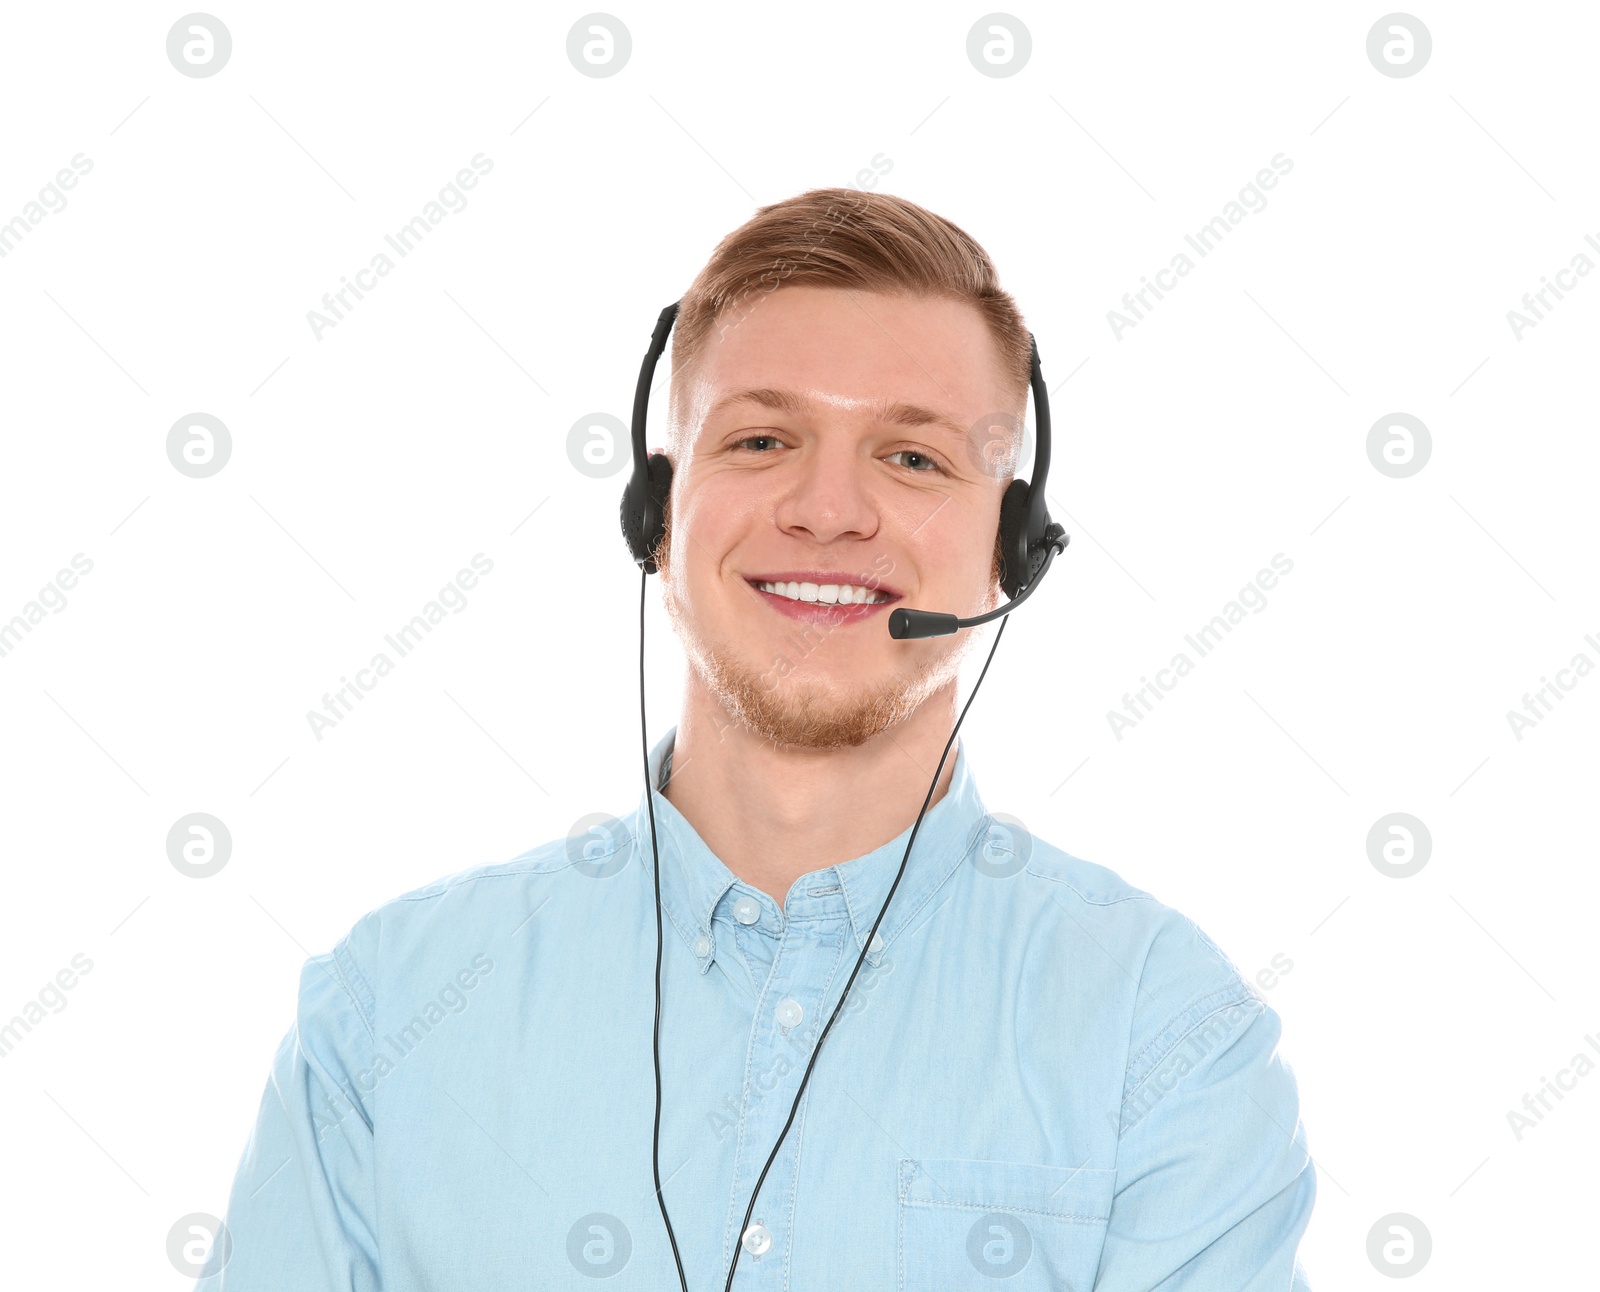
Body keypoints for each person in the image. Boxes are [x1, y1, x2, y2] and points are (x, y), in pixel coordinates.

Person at [197, 188, 1316, 1289]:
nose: (828, 508)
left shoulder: (1161, 1035)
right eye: (763, 438)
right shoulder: (389, 1009)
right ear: (655, 511)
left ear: (1012, 546)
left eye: (913, 457)